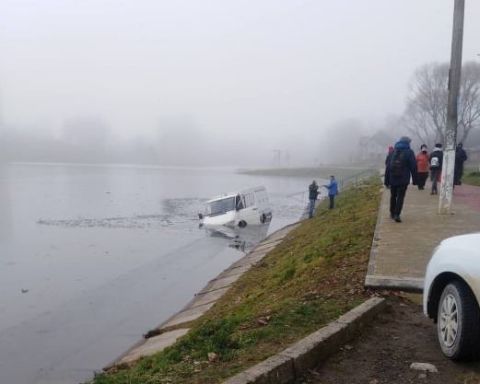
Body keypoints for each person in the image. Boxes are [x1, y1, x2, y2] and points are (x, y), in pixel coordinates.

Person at [384, 136, 417, 223]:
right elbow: (413, 167)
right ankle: (397, 214)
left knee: (393, 196)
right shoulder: (409, 152)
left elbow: (387, 167)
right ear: (408, 143)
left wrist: (386, 181)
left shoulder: (393, 152)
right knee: (400, 197)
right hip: (403, 179)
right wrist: (415, 180)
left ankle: (391, 213)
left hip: (392, 178)